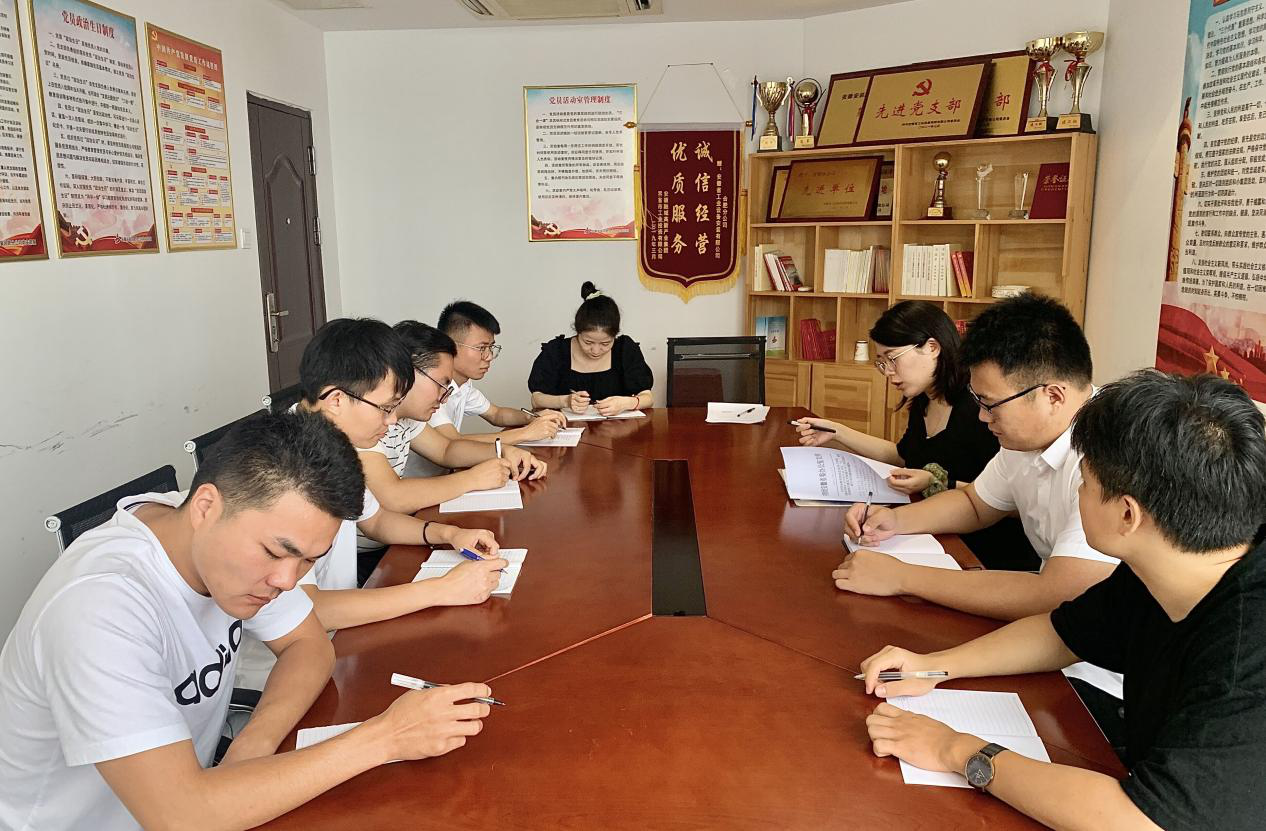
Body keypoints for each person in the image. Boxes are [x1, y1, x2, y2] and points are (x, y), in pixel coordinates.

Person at [0, 411, 496, 831]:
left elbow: (309, 645)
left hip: (200, 790)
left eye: (308, 560)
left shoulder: (225, 533)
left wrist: (253, 742)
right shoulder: (99, 607)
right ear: (206, 506)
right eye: (277, 553)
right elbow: (182, 816)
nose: (287, 580)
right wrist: (386, 737)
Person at [859, 370, 1266, 830]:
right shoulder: (1171, 562)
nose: (1078, 492)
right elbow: (1063, 632)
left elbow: (1138, 821)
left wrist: (955, 750)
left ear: (1128, 515)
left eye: (1086, 482)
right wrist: (934, 667)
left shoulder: (1246, 657)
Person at [796, 300, 1036, 570]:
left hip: (985, 550)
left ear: (932, 348)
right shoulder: (924, 400)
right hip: (936, 532)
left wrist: (937, 483)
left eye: (892, 359)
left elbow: (1007, 501)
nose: (888, 372)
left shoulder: (982, 411)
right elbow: (904, 456)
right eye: (882, 362)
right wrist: (837, 432)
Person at [354, 321, 545, 580]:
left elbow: (446, 449)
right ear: (406, 371)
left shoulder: (405, 417)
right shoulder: (366, 422)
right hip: (364, 556)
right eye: (441, 385)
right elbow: (392, 497)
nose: (445, 397)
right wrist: (473, 479)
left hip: (393, 537)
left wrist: (502, 451)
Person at [431, 300, 566, 445]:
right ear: (450, 346)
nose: (489, 356)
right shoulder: (431, 387)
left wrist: (533, 417)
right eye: (482, 348)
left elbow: (496, 414)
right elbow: (452, 442)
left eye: (491, 347)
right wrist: (526, 433)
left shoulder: (463, 385)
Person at [529, 281, 654, 416]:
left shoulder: (625, 350)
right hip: (563, 427)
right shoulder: (556, 351)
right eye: (588, 342)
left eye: (605, 343)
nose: (595, 350)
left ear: (615, 336)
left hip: (618, 428)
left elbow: (648, 397)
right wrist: (565, 401)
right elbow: (536, 399)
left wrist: (625, 403)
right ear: (578, 332)